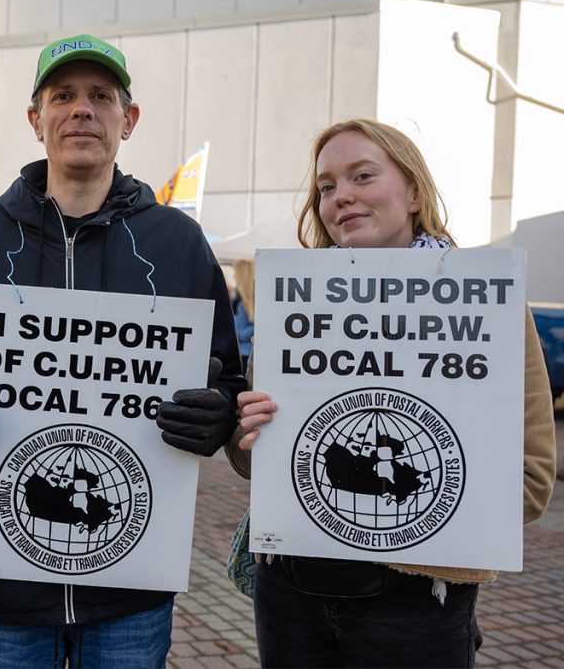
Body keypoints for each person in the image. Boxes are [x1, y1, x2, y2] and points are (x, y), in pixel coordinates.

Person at [0, 33, 246, 667]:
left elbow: (227, 375)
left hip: (130, 589)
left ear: (128, 119)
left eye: (101, 96)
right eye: (63, 96)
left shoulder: (179, 242)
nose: (81, 110)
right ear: (37, 121)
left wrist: (217, 413)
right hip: (3, 584)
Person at [226, 118, 557, 668]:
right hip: (290, 592)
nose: (342, 197)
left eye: (362, 176)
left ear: (415, 193)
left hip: (417, 606)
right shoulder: (293, 304)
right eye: (327, 187)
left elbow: (532, 482)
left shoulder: (488, 304)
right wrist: (247, 433)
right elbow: (249, 461)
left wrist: (406, 513)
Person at [231, 258, 255, 374]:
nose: (234, 277)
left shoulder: (243, 301)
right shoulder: (246, 299)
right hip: (246, 352)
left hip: (244, 353)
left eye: (236, 273)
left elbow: (240, 333)